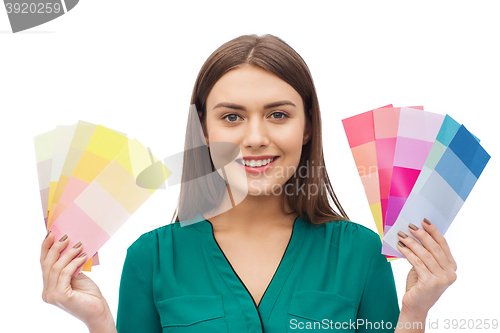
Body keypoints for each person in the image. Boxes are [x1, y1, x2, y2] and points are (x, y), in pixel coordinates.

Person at [40, 34, 457, 332]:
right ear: (203, 130)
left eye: (278, 114)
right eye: (232, 117)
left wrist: (414, 314)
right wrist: (97, 321)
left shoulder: (360, 253)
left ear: (308, 126)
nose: (255, 137)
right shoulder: (151, 259)